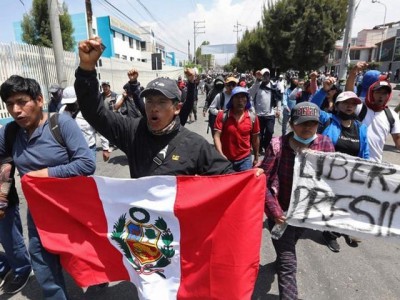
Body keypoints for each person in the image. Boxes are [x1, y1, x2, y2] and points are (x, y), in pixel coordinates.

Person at [75, 37, 234, 178]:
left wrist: (253, 179)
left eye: (162, 102)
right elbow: (94, 112)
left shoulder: (195, 145)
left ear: (177, 108)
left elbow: (230, 179)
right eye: (149, 100)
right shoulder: (132, 132)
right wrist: (86, 70)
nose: (154, 107)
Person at [0, 75, 96, 299]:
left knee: (83, 253)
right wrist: (2, 198)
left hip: (74, 208)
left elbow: (86, 163)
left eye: (22, 102)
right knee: (41, 256)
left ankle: (96, 275)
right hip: (40, 210)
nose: (16, 110)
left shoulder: (61, 123)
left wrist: (44, 174)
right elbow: (4, 162)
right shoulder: (10, 132)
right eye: (10, 104)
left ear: (40, 100)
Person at [261, 102, 335, 300]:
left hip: (305, 215)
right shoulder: (278, 145)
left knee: (289, 247)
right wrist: (275, 211)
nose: (307, 128)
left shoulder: (325, 144)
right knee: (288, 263)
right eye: (303, 123)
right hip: (281, 213)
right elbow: (263, 183)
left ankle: (281, 257)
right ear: (292, 123)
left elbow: (333, 179)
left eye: (313, 123)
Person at [311, 91, 369, 252]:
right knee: (329, 203)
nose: (350, 106)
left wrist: (367, 170)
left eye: (353, 103)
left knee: (346, 204)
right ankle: (328, 232)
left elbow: (365, 153)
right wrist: (323, 90)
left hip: (350, 175)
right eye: (345, 102)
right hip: (328, 173)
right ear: (337, 105)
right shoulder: (328, 120)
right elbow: (312, 107)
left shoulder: (361, 127)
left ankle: (337, 231)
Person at [346, 62, 400, 162]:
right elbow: (349, 94)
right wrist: (353, 73)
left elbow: (397, 140)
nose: (381, 96)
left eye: (384, 93)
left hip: (374, 167)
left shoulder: (392, 116)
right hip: (352, 164)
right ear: (371, 92)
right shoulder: (359, 108)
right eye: (378, 92)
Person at [0, 153, 32, 295]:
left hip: (3, 200)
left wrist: (1, 201)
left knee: (10, 238)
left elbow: (7, 164)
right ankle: (4, 265)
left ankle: (22, 268)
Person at [213, 87, 260, 171]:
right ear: (232, 100)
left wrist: (256, 157)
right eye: (237, 97)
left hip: (245, 160)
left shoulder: (252, 117)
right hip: (226, 159)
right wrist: (220, 154)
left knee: (245, 183)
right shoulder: (222, 115)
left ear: (247, 100)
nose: (240, 100)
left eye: (243, 97)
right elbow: (216, 136)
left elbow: (255, 138)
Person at [60, 86, 112, 162]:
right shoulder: (62, 111)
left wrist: (105, 148)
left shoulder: (89, 110)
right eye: (67, 103)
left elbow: (100, 129)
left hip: (88, 149)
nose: (69, 105)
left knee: (88, 173)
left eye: (72, 103)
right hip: (70, 150)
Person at [249, 68, 282, 153]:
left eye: (267, 75)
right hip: (258, 115)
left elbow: (278, 98)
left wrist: (278, 109)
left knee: (270, 132)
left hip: (270, 114)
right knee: (259, 133)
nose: (266, 76)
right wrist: (252, 110)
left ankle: (266, 147)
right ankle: (258, 149)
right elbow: (250, 96)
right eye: (264, 75)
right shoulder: (257, 85)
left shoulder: (274, 86)